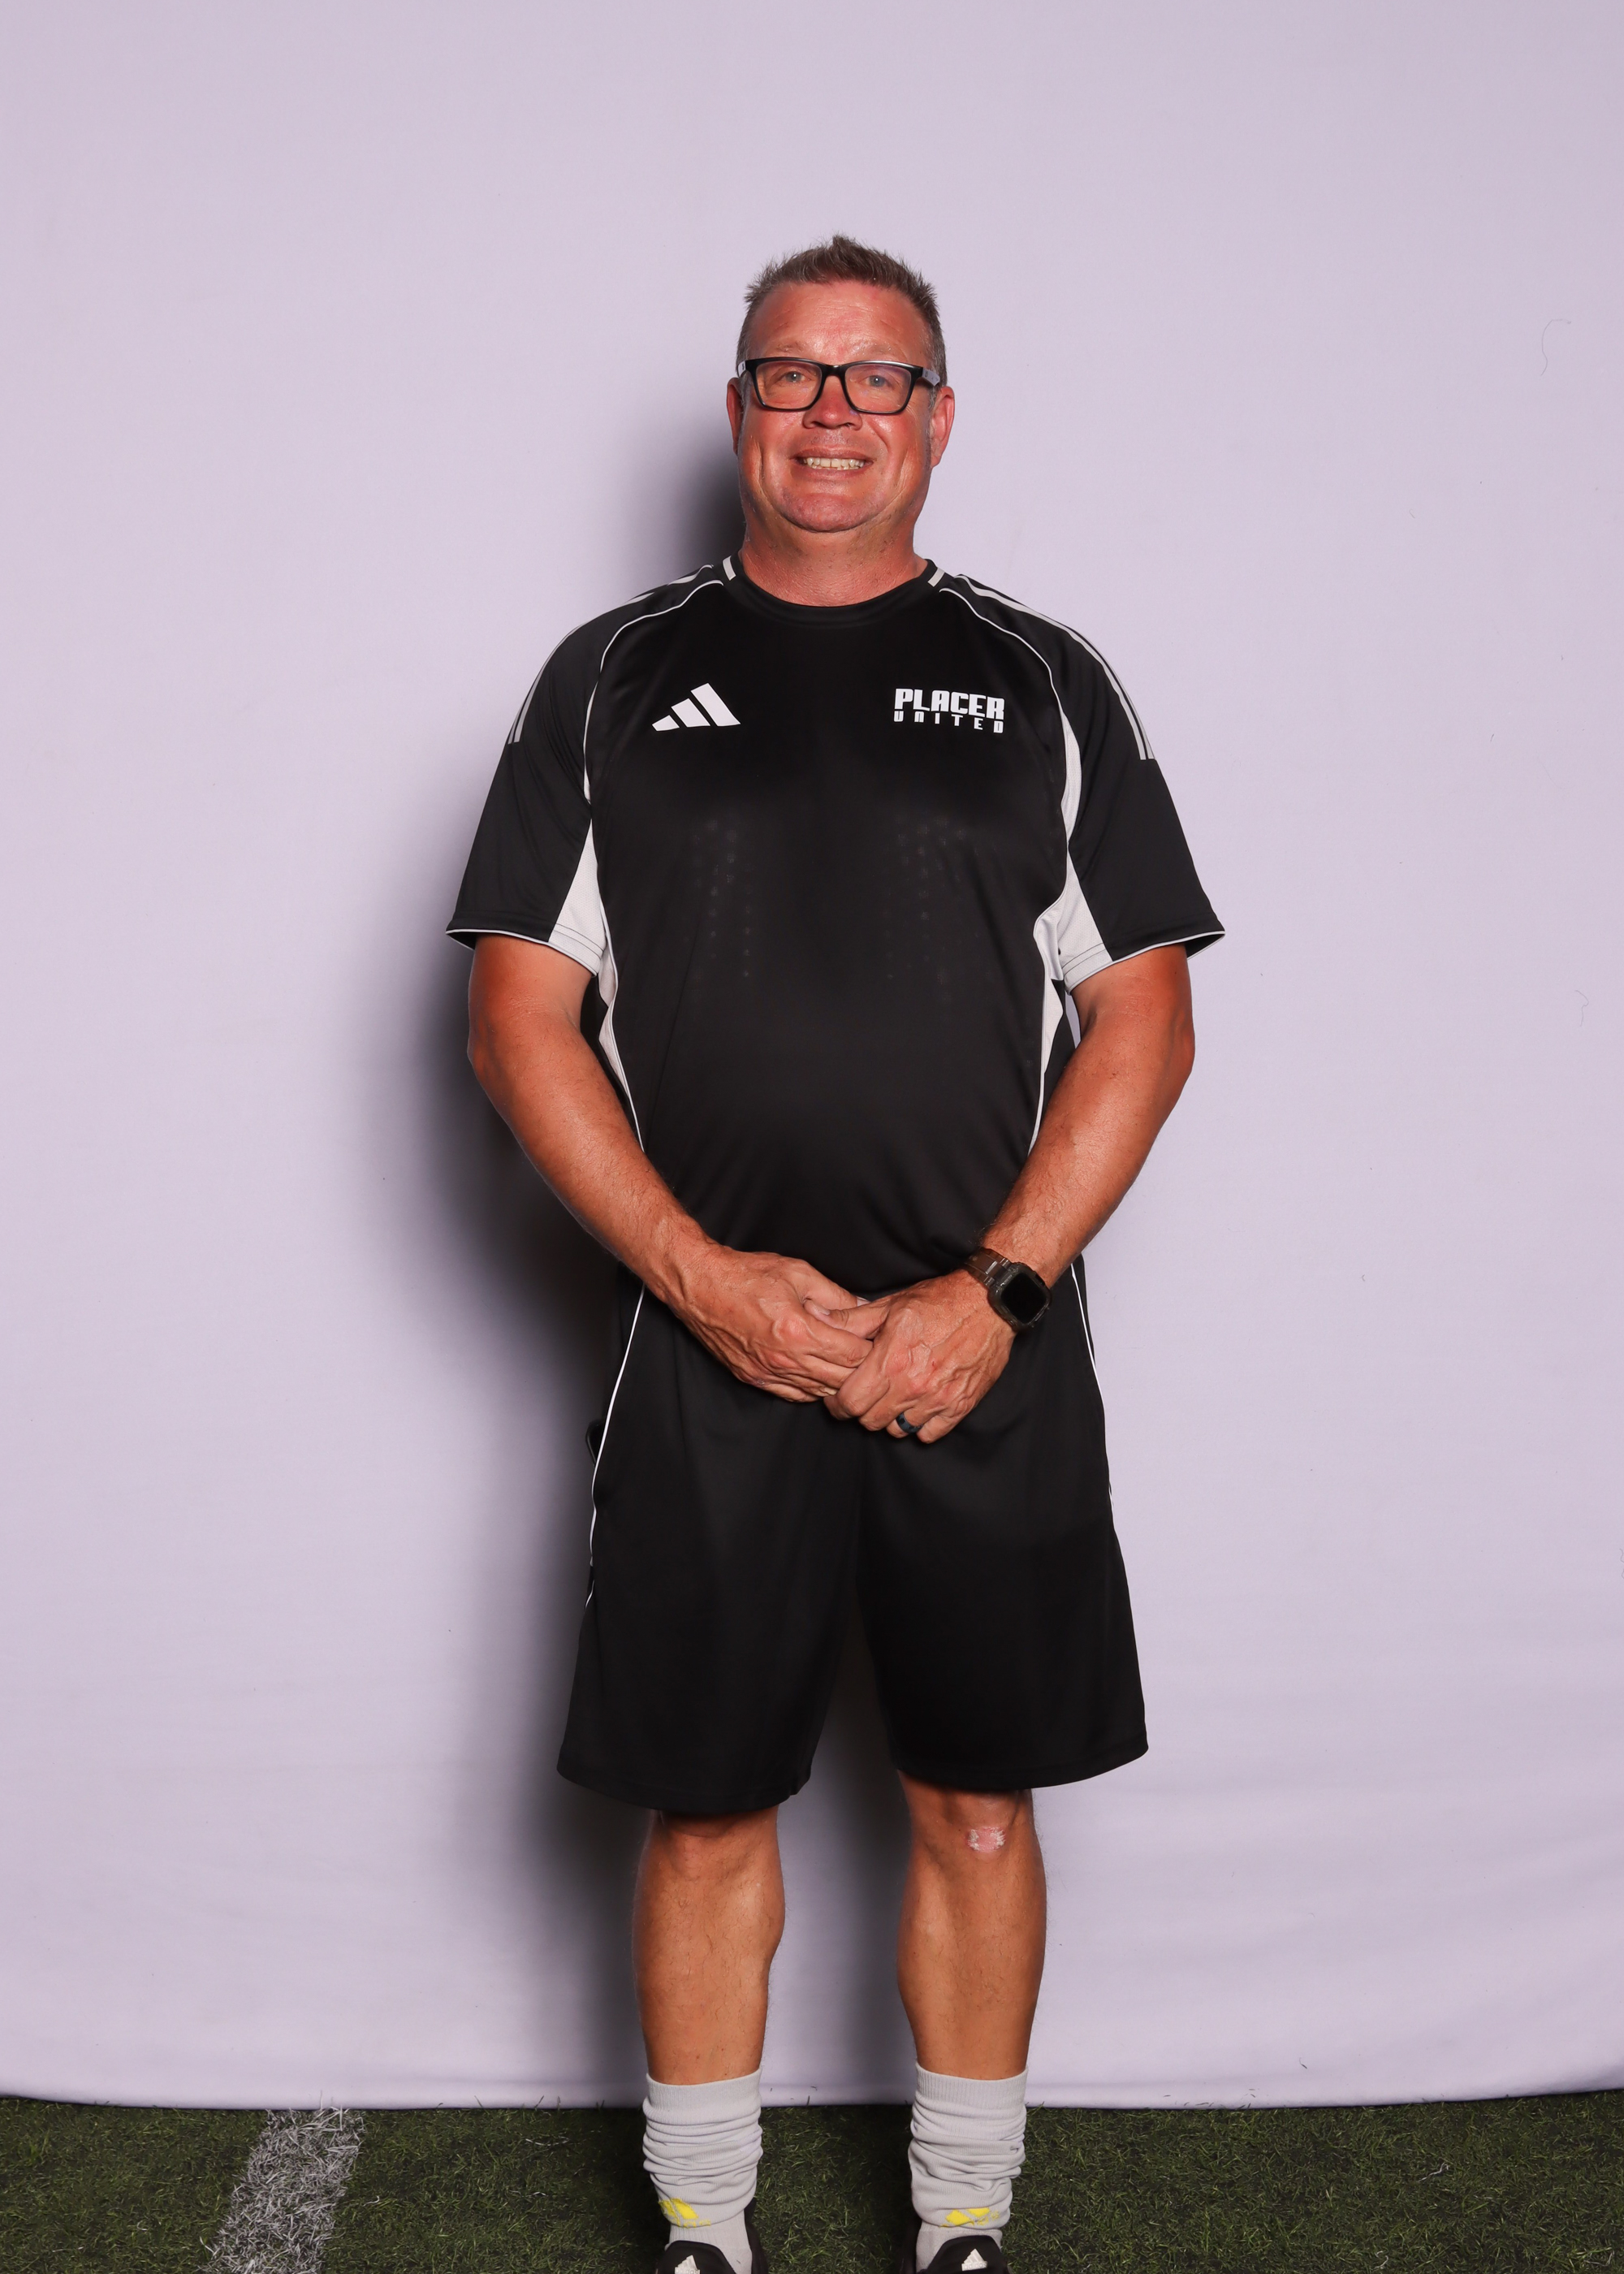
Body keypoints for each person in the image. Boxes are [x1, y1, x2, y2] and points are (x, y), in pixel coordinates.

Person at [448, 235, 1221, 2274]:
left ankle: (961, 2217)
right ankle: (704, 2227)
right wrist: (701, 1277)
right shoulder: (609, 675)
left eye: (876, 377)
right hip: (709, 1343)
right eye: (792, 373)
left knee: (974, 1799)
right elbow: (518, 1019)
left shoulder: (1042, 678)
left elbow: (1142, 1018)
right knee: (707, 1803)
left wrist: (995, 1292)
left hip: (982, 1346)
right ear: (738, 409)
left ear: (937, 418)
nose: (832, 412)